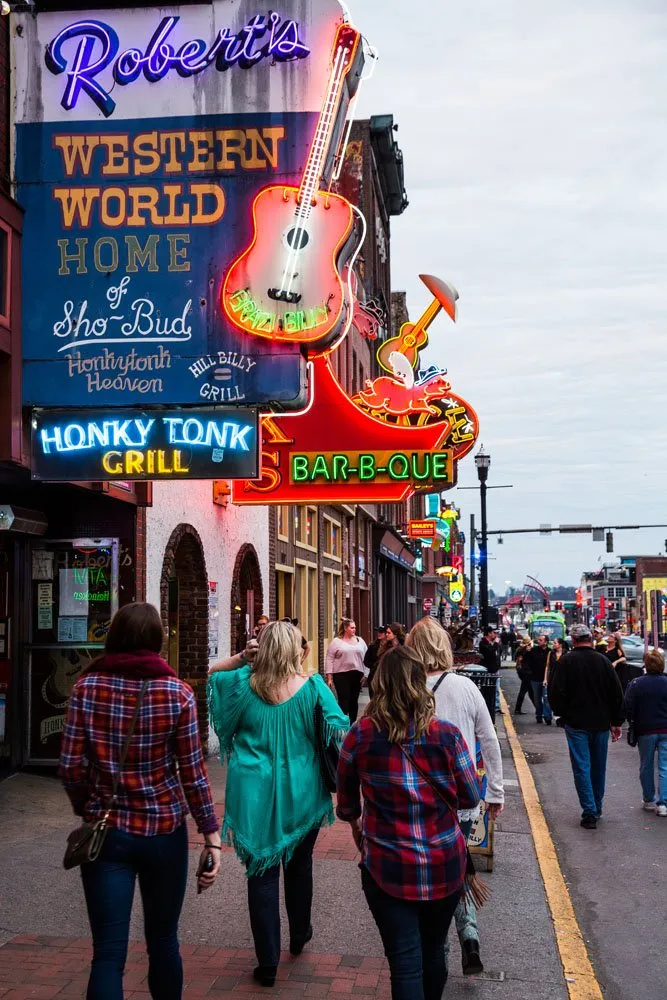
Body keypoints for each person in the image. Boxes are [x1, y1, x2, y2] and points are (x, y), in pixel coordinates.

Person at [59, 603, 221, 1000]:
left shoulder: (86, 688)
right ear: (157, 642)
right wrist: (210, 834)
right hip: (163, 831)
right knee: (164, 941)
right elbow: (193, 773)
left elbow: (69, 766)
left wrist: (88, 807)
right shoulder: (177, 693)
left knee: (108, 953)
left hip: (107, 832)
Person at [208, 621, 349, 987]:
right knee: (300, 866)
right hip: (302, 790)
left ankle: (267, 962)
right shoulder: (313, 686)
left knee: (261, 874)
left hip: (253, 793)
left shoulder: (242, 686)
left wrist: (241, 657)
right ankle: (300, 932)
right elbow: (340, 726)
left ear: (263, 650)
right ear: (296, 651)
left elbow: (211, 674)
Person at [336, 646, 481, 1000]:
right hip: (444, 864)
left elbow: (345, 801)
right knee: (433, 951)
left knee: (404, 961)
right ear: (421, 684)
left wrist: (357, 823)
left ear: (379, 684)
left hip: (386, 866)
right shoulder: (446, 734)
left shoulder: (362, 734)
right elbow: (471, 796)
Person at [407, 618, 503, 976]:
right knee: (455, 867)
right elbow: (488, 739)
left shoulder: (408, 687)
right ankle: (469, 934)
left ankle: (434, 944)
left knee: (426, 873)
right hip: (459, 799)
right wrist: (494, 791)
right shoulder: (464, 686)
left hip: (414, 796)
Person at [548, 623, 624, 829]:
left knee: (582, 767)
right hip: (600, 722)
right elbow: (617, 694)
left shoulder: (566, 661)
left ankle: (589, 811)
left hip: (576, 722)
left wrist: (562, 714)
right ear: (590, 639)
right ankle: (596, 806)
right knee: (598, 767)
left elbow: (554, 693)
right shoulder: (603, 662)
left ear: (573, 640)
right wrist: (616, 722)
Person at [624, 648, 667, 816]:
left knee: (646, 765)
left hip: (645, 730)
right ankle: (663, 804)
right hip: (666, 729)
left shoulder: (636, 684)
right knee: (664, 766)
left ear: (646, 665)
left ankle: (649, 800)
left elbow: (628, 706)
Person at [324, 618, 368, 723]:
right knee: (344, 699)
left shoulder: (360, 641)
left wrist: (366, 674)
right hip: (341, 674)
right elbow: (329, 658)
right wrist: (329, 677)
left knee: (354, 700)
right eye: (352, 628)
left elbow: (366, 658)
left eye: (355, 628)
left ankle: (352, 723)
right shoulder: (337, 642)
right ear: (345, 628)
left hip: (357, 674)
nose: (354, 630)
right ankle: (343, 723)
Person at [523, 634, 553, 724]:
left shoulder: (550, 652)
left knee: (546, 698)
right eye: (538, 640)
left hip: (546, 679)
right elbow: (526, 661)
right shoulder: (533, 650)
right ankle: (539, 715)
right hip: (535, 678)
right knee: (537, 699)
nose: (538, 641)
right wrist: (527, 652)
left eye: (540, 640)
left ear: (546, 642)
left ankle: (548, 717)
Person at [513, 636, 535, 715]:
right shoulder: (525, 650)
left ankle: (538, 708)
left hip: (522, 671)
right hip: (526, 672)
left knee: (530, 691)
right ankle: (517, 709)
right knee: (524, 691)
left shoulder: (520, 649)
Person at [363, 625, 387, 691]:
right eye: (378, 632)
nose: (379, 633)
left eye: (381, 632)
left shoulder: (390, 646)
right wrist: (374, 665)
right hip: (374, 675)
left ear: (386, 633)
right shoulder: (372, 646)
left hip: (385, 676)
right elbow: (366, 661)